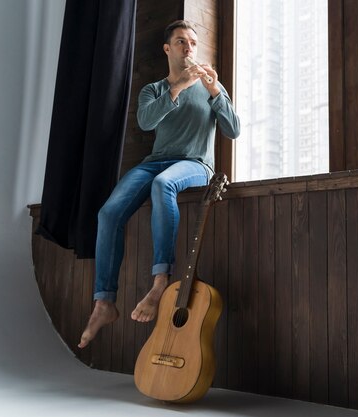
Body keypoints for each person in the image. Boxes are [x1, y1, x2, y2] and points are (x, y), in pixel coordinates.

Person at [79, 20, 240, 348]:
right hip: (155, 162)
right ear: (168, 49)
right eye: (181, 42)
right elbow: (146, 121)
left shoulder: (212, 88)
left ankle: (160, 281)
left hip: (195, 164)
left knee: (164, 184)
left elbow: (233, 130)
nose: (189, 48)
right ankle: (104, 302)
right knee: (108, 214)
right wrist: (177, 86)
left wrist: (214, 92)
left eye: (193, 42)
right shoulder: (154, 89)